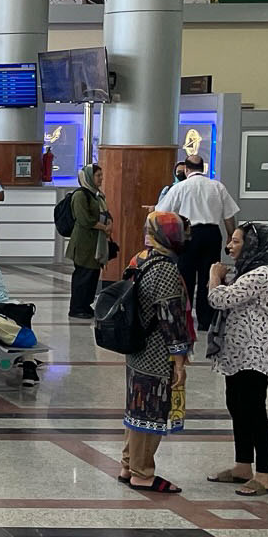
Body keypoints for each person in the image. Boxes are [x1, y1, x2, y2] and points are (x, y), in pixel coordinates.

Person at [206, 222, 268, 498]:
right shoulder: (246, 271)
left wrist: (213, 276)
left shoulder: (263, 274)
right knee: (237, 406)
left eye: (236, 242)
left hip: (255, 354)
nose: (229, 246)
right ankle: (243, 466)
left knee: (254, 411)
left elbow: (220, 299)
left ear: (253, 245)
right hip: (238, 352)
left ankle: (265, 474)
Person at [119, 212, 195, 494]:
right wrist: (179, 361)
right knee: (151, 410)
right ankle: (142, 473)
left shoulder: (140, 259)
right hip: (155, 350)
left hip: (136, 346)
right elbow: (171, 318)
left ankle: (128, 465)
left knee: (136, 406)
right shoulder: (165, 268)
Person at [163, 159, 239, 330]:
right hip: (212, 235)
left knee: (185, 277)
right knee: (210, 276)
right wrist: (230, 236)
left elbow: (163, 212)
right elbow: (229, 216)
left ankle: (185, 317)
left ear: (187, 169)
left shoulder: (180, 187)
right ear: (203, 168)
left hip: (189, 235)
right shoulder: (217, 186)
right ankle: (206, 320)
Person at [66, 163, 111, 320]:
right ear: (89, 177)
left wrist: (109, 223)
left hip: (95, 243)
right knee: (83, 276)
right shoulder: (80, 195)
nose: (101, 178)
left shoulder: (96, 195)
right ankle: (77, 307)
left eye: (101, 175)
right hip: (84, 243)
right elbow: (84, 219)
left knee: (92, 275)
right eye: (98, 175)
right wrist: (104, 227)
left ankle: (86, 305)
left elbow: (105, 213)